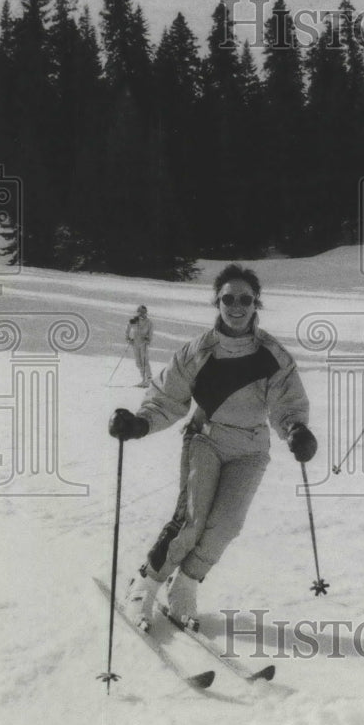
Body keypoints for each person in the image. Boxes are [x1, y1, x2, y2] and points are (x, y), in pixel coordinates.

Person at [108, 264, 317, 632]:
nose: (237, 306)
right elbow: (167, 397)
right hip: (205, 439)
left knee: (226, 525)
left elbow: (289, 404)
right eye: (228, 298)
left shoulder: (273, 355)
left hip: (251, 449)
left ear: (256, 304)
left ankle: (185, 586)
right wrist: (140, 423)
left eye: (245, 299)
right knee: (191, 521)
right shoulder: (198, 352)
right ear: (216, 302)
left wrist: (297, 430)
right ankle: (145, 586)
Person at [126, 304, 153, 387]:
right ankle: (143, 379)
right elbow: (127, 329)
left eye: (143, 313)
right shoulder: (134, 320)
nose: (141, 314)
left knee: (144, 361)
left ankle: (148, 379)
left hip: (143, 344)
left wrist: (148, 339)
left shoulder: (149, 322)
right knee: (138, 362)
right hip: (135, 343)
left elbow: (150, 333)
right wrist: (128, 338)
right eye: (140, 313)